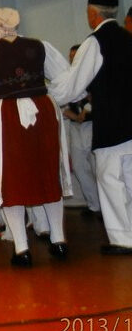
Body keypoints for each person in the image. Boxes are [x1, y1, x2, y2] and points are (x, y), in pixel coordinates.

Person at [0, 7, 72, 267]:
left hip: (5, 116)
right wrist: (49, 96)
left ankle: (22, 249)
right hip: (43, 112)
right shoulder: (39, 46)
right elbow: (66, 77)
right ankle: (59, 240)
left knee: (10, 179)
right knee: (47, 171)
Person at [50, 0, 132, 255]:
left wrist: (52, 95)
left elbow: (74, 85)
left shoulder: (95, 42)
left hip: (111, 123)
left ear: (92, 14)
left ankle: (123, 239)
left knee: (110, 180)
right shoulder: (127, 37)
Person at [61, 45, 101, 216]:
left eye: (76, 55)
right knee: (78, 167)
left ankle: (106, 206)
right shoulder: (67, 78)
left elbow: (98, 97)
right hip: (76, 127)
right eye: (71, 56)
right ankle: (94, 205)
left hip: (93, 126)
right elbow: (63, 104)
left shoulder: (93, 74)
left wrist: (87, 108)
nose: (73, 59)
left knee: (98, 167)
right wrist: (75, 116)